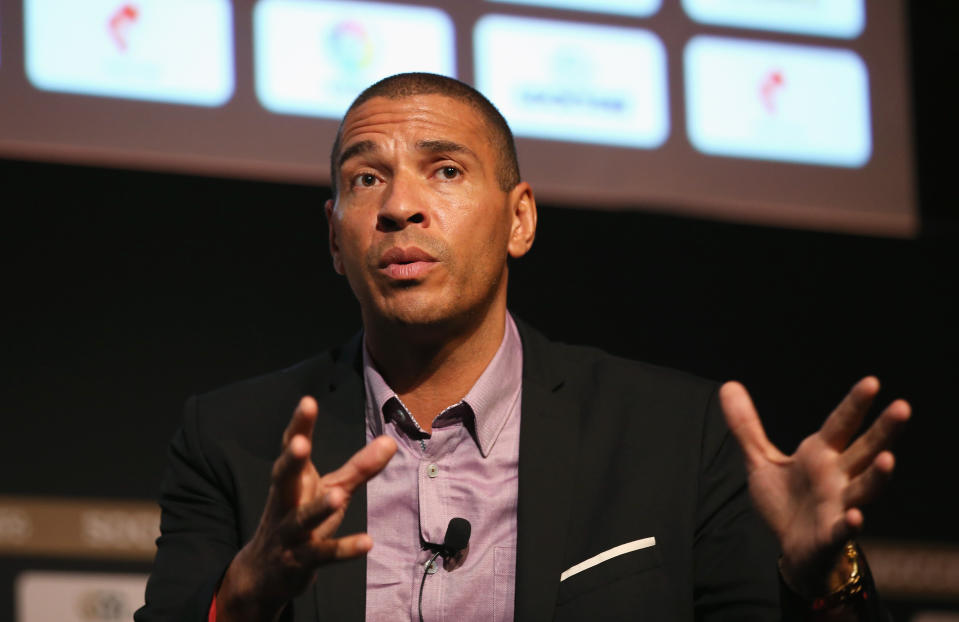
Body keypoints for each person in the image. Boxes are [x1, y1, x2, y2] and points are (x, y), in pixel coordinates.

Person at [135, 73, 910, 621]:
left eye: (443, 170)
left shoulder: (676, 434)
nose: (400, 207)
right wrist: (241, 596)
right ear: (333, 239)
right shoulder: (233, 438)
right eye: (366, 180)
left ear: (519, 221)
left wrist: (818, 577)